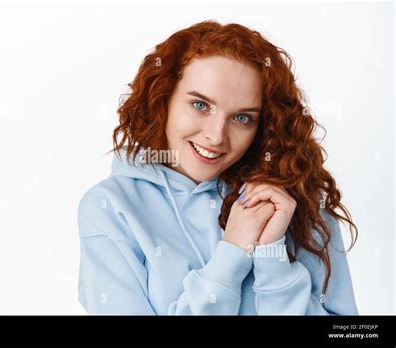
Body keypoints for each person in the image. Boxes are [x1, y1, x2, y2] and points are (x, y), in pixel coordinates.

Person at [76, 20, 359, 315]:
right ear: (163, 98)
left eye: (242, 118)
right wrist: (232, 255)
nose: (216, 136)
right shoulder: (110, 208)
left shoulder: (294, 196)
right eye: (200, 105)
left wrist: (273, 259)